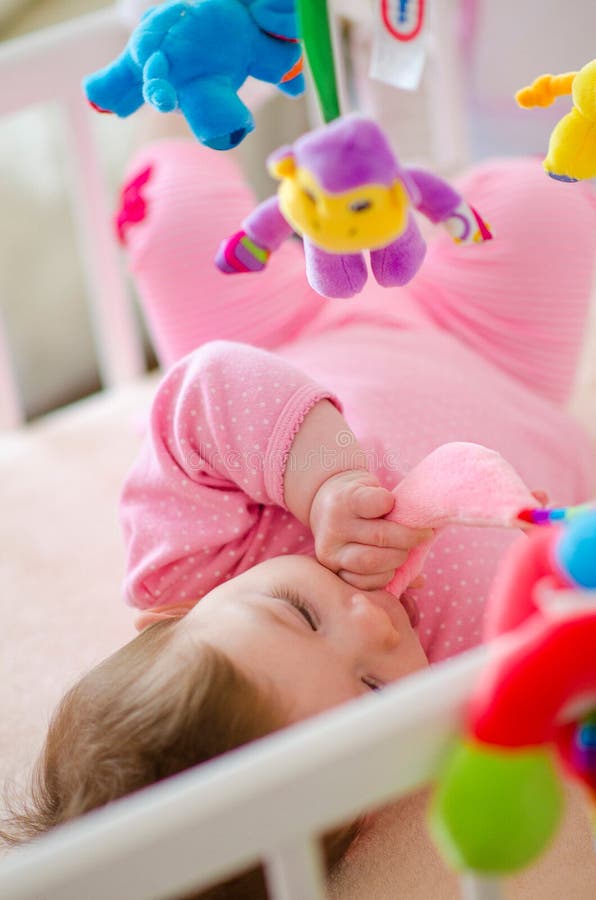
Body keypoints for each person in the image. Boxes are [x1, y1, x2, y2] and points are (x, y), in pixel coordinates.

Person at [1, 141, 594, 899]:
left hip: (292, 329)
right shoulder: (459, 689)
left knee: (180, 214)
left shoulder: (188, 564)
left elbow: (203, 393)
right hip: (491, 354)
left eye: (299, 612)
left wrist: (325, 482)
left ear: (170, 618)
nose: (370, 624)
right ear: (369, 810)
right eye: (374, 687)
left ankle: (184, 164)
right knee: (535, 204)